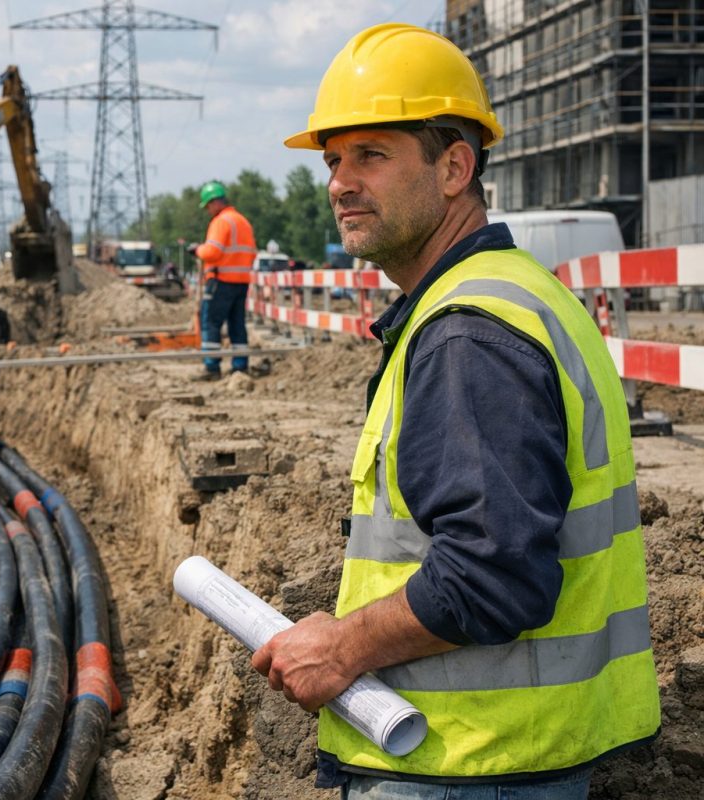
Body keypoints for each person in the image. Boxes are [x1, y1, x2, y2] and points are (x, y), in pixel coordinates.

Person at [252, 23, 659, 798]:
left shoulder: (467, 333)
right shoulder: (518, 294)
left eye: (371, 154)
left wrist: (342, 647)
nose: (340, 182)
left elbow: (492, 576)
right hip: (505, 756)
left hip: (466, 763)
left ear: (454, 168)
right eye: (333, 160)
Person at [191, 180, 256, 380]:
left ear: (215, 202)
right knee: (237, 324)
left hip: (221, 281)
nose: (208, 210)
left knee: (211, 322)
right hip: (241, 282)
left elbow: (212, 252)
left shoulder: (221, 221)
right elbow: (251, 253)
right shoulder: (243, 221)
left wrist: (197, 250)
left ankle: (211, 367)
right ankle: (240, 366)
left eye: (208, 206)